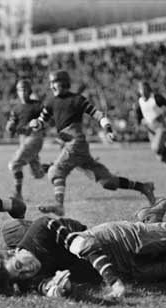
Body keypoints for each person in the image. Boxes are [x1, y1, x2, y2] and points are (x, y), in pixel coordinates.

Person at [0, 198, 166, 300]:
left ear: (14, 251)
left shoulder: (41, 228)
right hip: (122, 269)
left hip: (116, 241)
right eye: (22, 275)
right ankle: (151, 217)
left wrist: (114, 282)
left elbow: (86, 248)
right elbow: (44, 286)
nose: (27, 270)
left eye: (19, 265)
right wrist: (58, 289)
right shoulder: (25, 278)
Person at [29, 70, 157, 216]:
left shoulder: (77, 100)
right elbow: (41, 120)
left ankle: (59, 205)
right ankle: (144, 187)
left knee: (56, 171)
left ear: (63, 83)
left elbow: (99, 115)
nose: (51, 86)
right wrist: (36, 123)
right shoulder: (51, 101)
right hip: (73, 145)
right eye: (50, 83)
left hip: (75, 143)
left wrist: (108, 129)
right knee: (108, 182)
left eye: (54, 83)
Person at [4, 78, 49, 199]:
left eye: (25, 89)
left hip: (34, 137)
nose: (22, 92)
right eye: (20, 90)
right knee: (37, 174)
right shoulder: (16, 108)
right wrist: (10, 127)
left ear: (29, 91)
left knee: (14, 164)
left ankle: (17, 195)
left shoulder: (37, 105)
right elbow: (13, 125)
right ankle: (53, 167)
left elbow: (48, 120)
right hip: (23, 139)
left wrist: (39, 123)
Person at [136, 81, 166, 182]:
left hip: (160, 126)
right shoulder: (139, 101)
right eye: (140, 90)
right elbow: (139, 115)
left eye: (144, 89)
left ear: (148, 89)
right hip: (150, 129)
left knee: (155, 148)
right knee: (160, 157)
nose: (142, 92)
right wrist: (139, 123)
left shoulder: (156, 98)